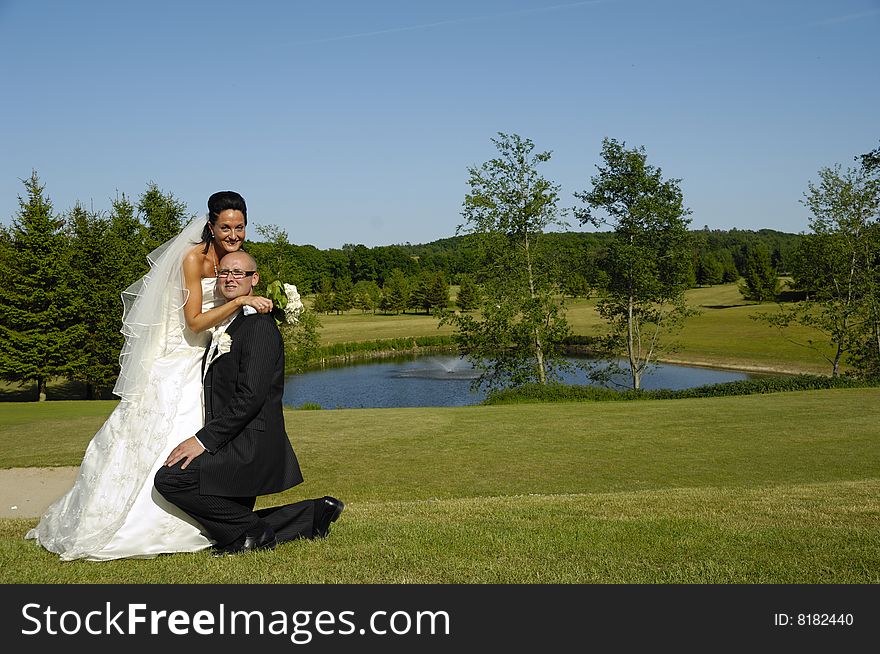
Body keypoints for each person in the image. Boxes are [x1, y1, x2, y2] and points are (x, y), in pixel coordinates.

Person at [26, 191, 275, 560]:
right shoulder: (193, 258)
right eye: (225, 227)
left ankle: (213, 516)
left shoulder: (233, 262)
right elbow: (193, 322)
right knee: (160, 430)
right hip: (182, 355)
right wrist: (239, 302)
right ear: (211, 225)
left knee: (204, 429)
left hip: (209, 355)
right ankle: (140, 522)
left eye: (239, 227)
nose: (233, 234)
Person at [154, 250, 344, 555]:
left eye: (238, 273)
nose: (229, 278)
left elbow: (251, 397)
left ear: (253, 279)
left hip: (250, 445)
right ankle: (313, 514)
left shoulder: (259, 328)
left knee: (171, 479)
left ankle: (254, 532)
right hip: (233, 438)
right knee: (232, 523)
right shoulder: (231, 325)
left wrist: (202, 441)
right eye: (224, 272)